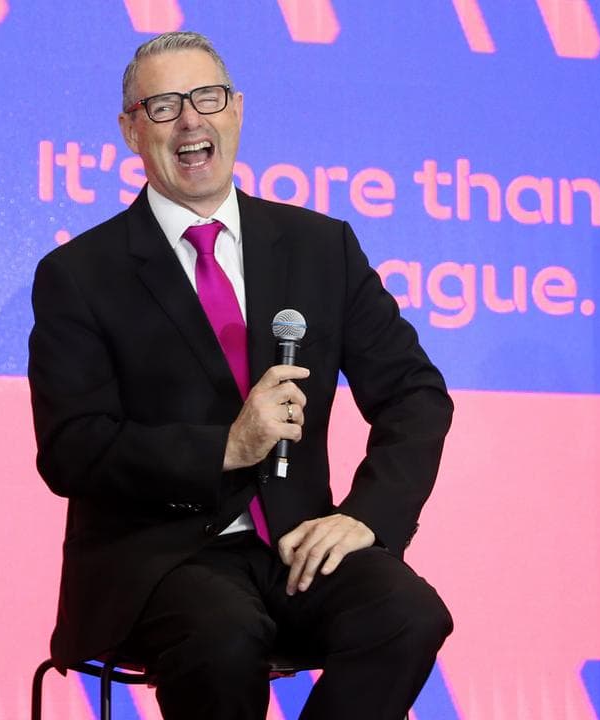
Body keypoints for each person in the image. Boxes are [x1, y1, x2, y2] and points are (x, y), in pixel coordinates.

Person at [28, 31, 453, 719]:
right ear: (131, 130)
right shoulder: (80, 275)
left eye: (207, 98)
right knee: (223, 639)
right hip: (160, 562)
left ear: (238, 111)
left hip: (297, 547)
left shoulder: (322, 247)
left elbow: (415, 395)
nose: (191, 120)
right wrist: (227, 446)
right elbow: (72, 451)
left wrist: (364, 519)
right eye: (163, 106)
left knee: (408, 615)